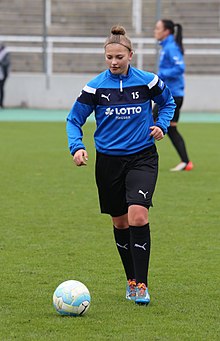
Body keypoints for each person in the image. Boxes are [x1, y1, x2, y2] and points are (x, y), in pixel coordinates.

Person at [66, 25, 175, 305]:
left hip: (142, 157)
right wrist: (77, 147)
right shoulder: (95, 87)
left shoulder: (148, 81)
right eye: (109, 57)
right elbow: (74, 119)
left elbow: (168, 103)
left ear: (130, 55)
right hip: (108, 162)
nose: (114, 62)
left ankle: (142, 284)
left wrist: (161, 126)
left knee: (138, 215)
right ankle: (130, 279)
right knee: (120, 221)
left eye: (119, 56)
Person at [153, 19, 194, 171]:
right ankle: (186, 162)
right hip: (173, 94)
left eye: (157, 28)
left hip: (172, 96)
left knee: (148, 121)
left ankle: (137, 157)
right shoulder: (167, 46)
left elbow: (179, 68)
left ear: (166, 31)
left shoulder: (170, 47)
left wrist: (161, 74)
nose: (155, 31)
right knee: (171, 128)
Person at [0, 43, 10, 109]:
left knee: (1, 88)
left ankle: (1, 103)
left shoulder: (5, 53)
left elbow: (6, 63)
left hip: (2, 74)